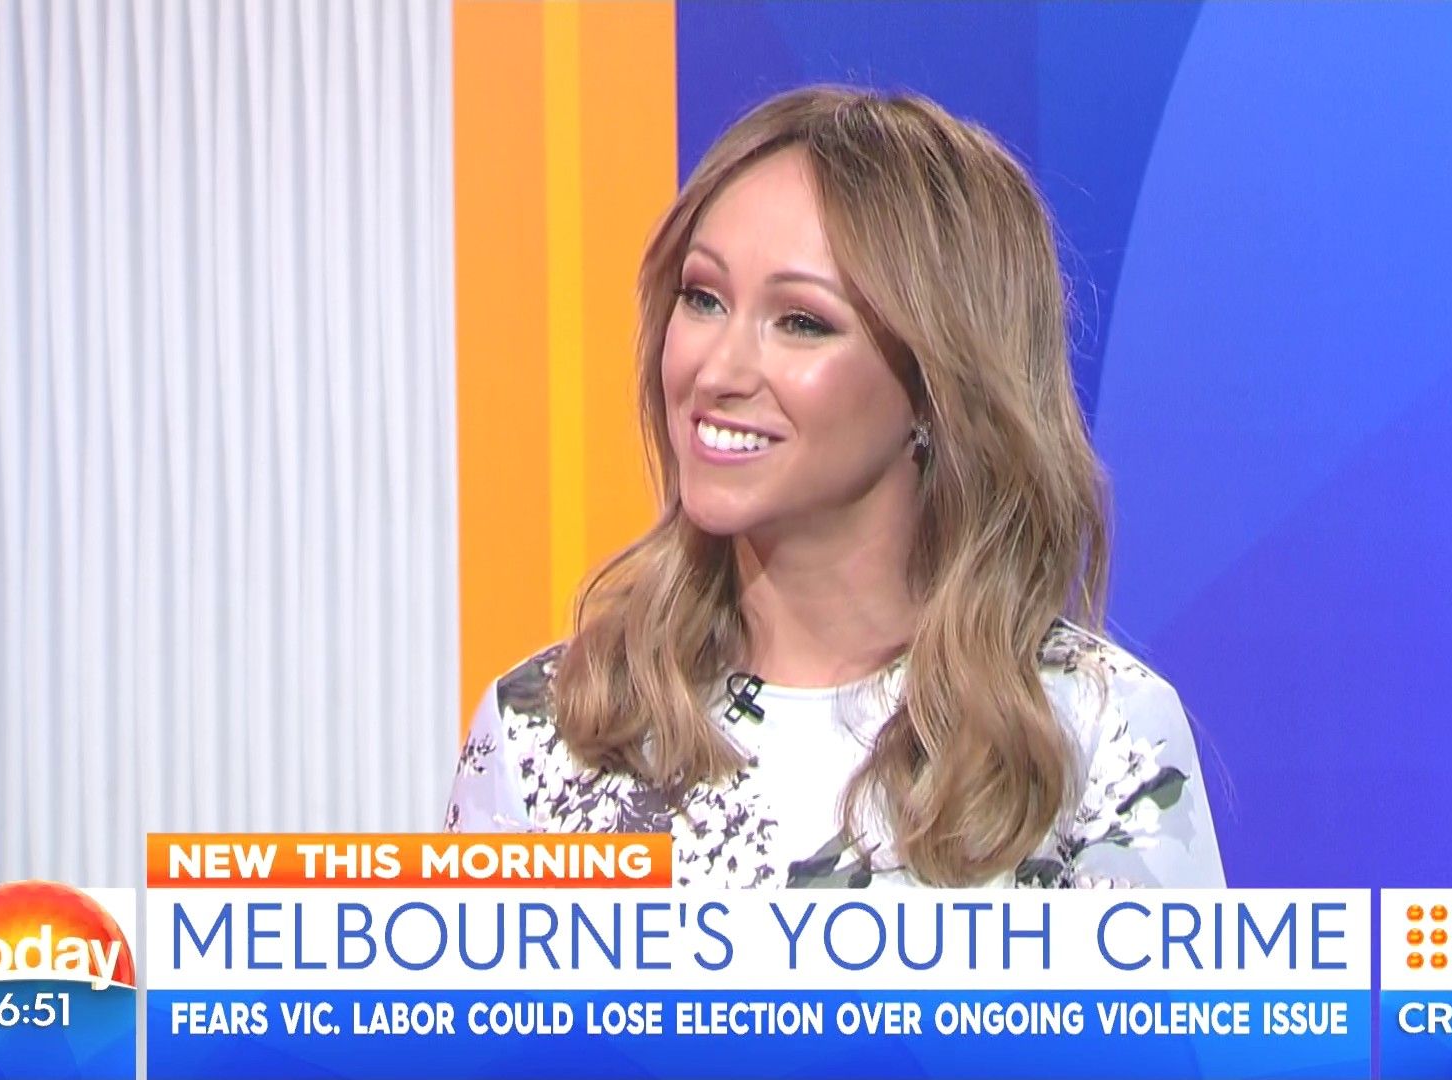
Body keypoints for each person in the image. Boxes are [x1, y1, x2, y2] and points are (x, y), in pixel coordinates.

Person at [445, 85, 1224, 889]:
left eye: (801, 322)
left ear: (936, 387)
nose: (716, 371)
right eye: (703, 299)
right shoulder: (548, 736)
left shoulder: (1096, 740)